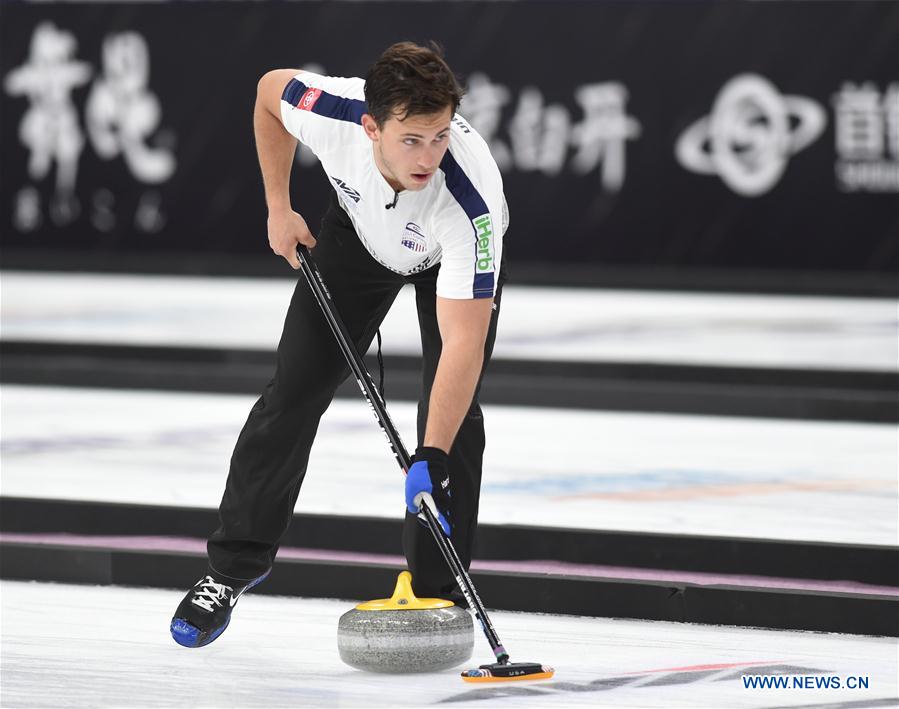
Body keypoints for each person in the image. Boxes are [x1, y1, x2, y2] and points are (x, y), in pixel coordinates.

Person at [170, 41, 507, 648]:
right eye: (411, 139)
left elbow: (463, 344)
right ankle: (231, 568)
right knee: (292, 393)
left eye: (439, 137)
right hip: (358, 236)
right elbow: (268, 94)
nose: (428, 156)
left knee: (452, 423)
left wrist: (430, 456)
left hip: (443, 256)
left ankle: (438, 590)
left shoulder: (470, 202)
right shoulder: (332, 110)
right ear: (372, 126)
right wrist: (278, 207)